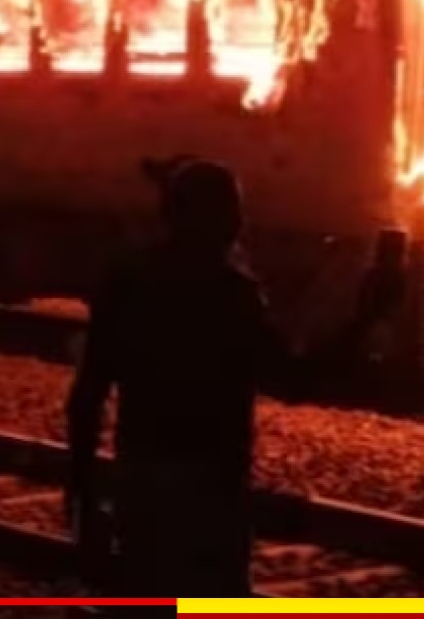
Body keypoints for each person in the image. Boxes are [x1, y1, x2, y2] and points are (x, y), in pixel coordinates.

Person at [65, 156, 285, 599]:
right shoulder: (235, 296)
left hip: (143, 481)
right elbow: (293, 379)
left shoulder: (127, 281)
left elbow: (88, 394)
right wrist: (364, 320)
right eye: (232, 211)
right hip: (215, 489)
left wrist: (82, 489)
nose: (239, 222)